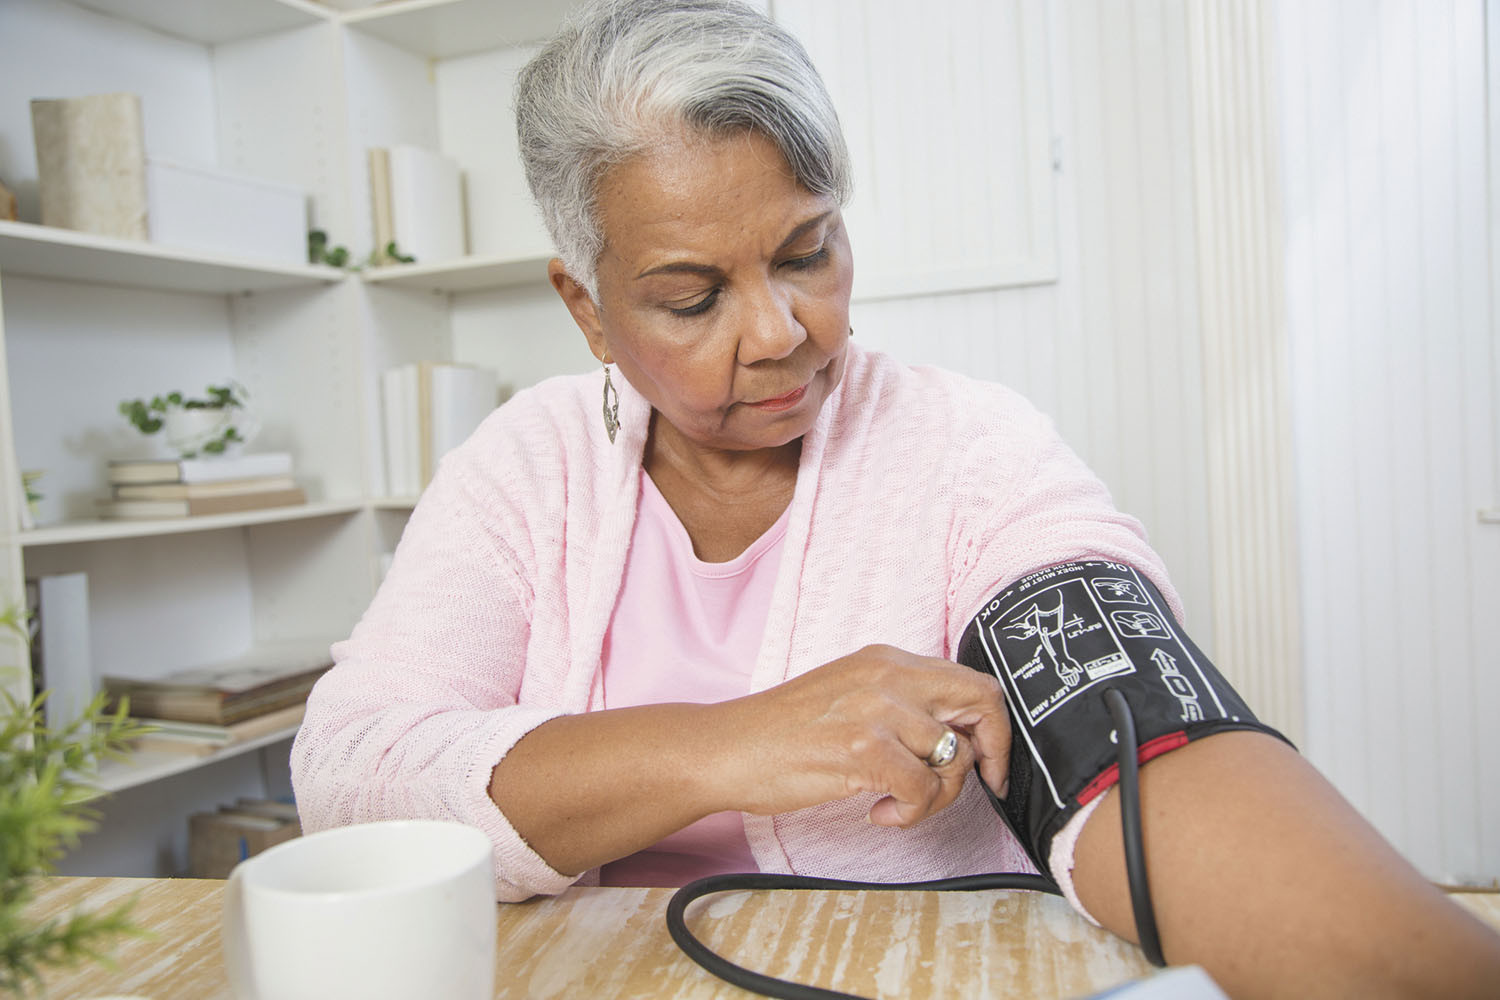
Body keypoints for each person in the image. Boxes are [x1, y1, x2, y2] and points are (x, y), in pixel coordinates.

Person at [290, 1, 1500, 995]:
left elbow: (1127, 721)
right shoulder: (526, 467)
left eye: (807, 251)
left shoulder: (969, 445)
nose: (780, 333)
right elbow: (351, 774)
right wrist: (735, 742)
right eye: (691, 295)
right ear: (588, 308)